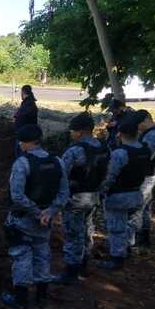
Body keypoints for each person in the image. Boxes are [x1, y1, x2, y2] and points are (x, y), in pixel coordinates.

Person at [1, 124, 69, 309]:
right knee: (42, 254)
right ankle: (41, 297)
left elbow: (17, 195)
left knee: (21, 255)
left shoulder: (22, 163)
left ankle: (20, 299)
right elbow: (64, 192)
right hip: (45, 221)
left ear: (25, 142)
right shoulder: (57, 161)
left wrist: (37, 213)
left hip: (24, 219)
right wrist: (50, 212)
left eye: (20, 142)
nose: (19, 145)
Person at [53, 113, 109, 285]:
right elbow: (108, 172)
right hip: (93, 196)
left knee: (73, 234)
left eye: (73, 131)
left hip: (75, 198)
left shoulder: (75, 151)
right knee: (87, 229)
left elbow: (61, 175)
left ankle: (71, 271)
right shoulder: (103, 147)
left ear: (81, 132)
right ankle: (84, 263)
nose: (72, 134)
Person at [97, 120, 151, 270]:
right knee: (130, 225)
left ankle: (117, 259)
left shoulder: (120, 153)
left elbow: (110, 177)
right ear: (137, 133)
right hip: (137, 193)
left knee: (116, 228)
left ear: (119, 134)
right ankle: (126, 249)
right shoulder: (144, 150)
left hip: (119, 196)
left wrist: (100, 192)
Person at [131, 109, 155, 249]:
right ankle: (143, 238)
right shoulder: (153, 132)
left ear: (147, 119)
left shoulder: (154, 135)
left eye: (139, 124)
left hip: (148, 175)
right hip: (150, 173)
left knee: (138, 206)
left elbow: (146, 155)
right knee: (145, 206)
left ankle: (134, 239)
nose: (138, 128)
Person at [13, 85, 38, 158]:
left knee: (21, 153)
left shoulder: (28, 104)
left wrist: (15, 116)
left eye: (21, 92)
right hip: (27, 132)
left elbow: (20, 115)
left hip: (24, 134)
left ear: (23, 92)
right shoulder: (29, 103)